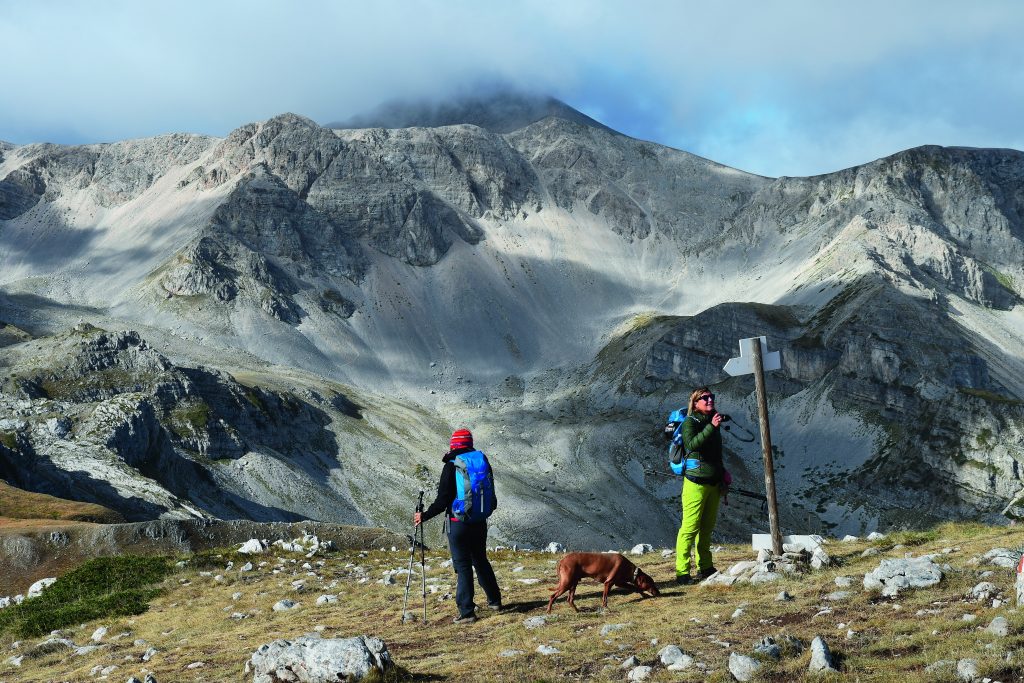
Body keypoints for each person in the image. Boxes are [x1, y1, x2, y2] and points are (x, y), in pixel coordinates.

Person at [414, 428, 501, 623]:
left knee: (463, 567)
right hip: (479, 521)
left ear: (454, 444)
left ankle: (467, 612)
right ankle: (495, 601)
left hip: (457, 523)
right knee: (480, 560)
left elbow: (443, 500)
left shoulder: (451, 465)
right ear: (469, 443)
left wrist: (424, 515)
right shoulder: (481, 462)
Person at [674, 387, 728, 584]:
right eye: (704, 398)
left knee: (707, 528)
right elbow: (692, 444)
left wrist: (723, 475)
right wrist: (711, 427)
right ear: (695, 403)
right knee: (690, 527)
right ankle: (682, 572)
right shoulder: (691, 421)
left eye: (711, 397)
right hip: (695, 483)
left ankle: (705, 567)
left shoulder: (714, 420)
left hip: (714, 483)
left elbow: (716, 452)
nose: (709, 400)